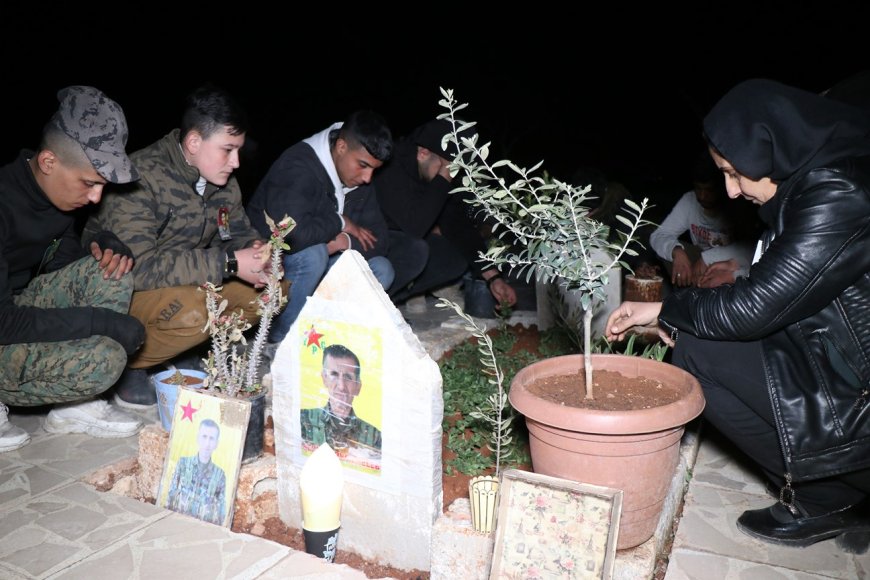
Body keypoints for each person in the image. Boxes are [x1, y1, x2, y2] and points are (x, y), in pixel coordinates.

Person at [605, 79, 870, 552]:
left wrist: (667, 308)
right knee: (699, 345)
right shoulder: (811, 183)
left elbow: (754, 308)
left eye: (734, 173)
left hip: (858, 392)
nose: (730, 191)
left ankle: (830, 493)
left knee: (698, 351)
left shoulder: (838, 194)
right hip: (834, 361)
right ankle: (829, 488)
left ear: (772, 148)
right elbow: (779, 291)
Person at [85, 85, 269, 408]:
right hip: (124, 295)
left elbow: (236, 232)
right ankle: (132, 364)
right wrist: (229, 263)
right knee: (196, 309)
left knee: (272, 292)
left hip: (185, 285)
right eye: (228, 149)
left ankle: (184, 350)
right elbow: (139, 269)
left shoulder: (222, 181)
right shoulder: (139, 177)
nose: (236, 162)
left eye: (238, 150)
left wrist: (257, 252)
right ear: (194, 142)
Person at [0, 86, 146, 452]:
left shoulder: (56, 198)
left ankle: (73, 408)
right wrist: (102, 322)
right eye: (90, 183)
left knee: (109, 270)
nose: (96, 198)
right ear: (49, 162)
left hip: (15, 308)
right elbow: (4, 323)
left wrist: (103, 244)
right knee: (104, 361)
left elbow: (62, 268)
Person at [246, 111, 395, 344]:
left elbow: (381, 240)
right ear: (341, 146)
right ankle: (279, 339)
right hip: (274, 270)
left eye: (374, 170)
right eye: (363, 165)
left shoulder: (358, 179)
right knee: (313, 255)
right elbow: (292, 237)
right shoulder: (297, 166)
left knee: (381, 269)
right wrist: (341, 222)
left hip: (321, 266)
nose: (368, 177)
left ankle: (323, 336)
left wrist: (343, 242)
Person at [374, 119, 517, 307]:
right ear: (423, 153)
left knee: (454, 258)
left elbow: (458, 225)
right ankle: (370, 301)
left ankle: (390, 300)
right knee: (416, 250)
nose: (451, 176)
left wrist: (493, 277)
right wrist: (443, 175)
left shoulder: (431, 170)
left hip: (402, 244)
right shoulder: (390, 165)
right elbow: (414, 227)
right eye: (450, 169)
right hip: (369, 246)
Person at [649, 152, 757, 288]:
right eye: (698, 189)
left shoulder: (738, 204)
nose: (702, 196)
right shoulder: (690, 201)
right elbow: (659, 235)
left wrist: (708, 258)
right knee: (665, 250)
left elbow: (752, 248)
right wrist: (676, 251)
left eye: (709, 190)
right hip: (698, 259)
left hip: (732, 262)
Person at [300, 344, 381, 457]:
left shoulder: (374, 437)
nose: (341, 386)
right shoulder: (303, 420)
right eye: (334, 374)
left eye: (348, 377)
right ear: (324, 378)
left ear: (358, 387)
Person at [166, 418, 227, 525]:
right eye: (204, 437)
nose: (207, 443)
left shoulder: (219, 475)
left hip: (202, 528)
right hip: (177, 522)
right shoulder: (183, 464)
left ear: (216, 443)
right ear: (198, 438)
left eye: (211, 438)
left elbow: (221, 512)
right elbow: (171, 495)